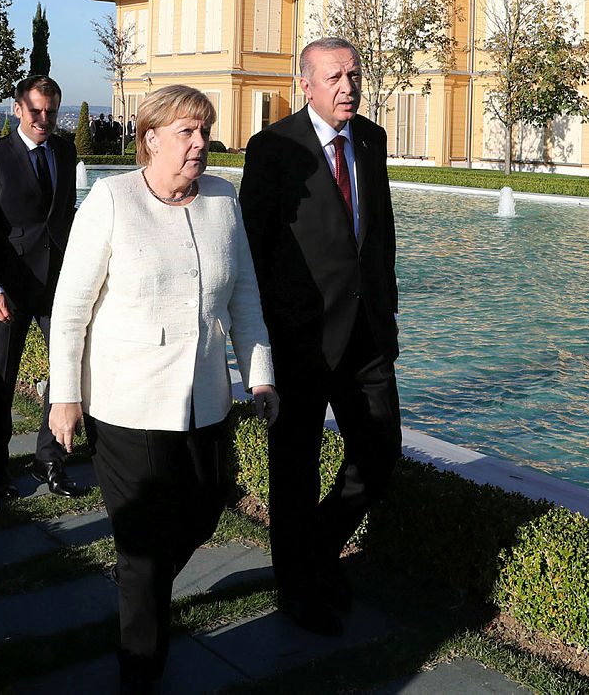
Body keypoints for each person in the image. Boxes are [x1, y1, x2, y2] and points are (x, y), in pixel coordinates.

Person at [48, 84, 277, 692]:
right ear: (150, 138)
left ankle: (139, 587)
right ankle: (141, 670)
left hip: (205, 401)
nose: (201, 143)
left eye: (205, 131)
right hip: (128, 404)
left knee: (205, 507)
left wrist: (260, 374)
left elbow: (246, 296)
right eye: (187, 132)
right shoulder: (112, 200)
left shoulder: (223, 200)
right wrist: (64, 395)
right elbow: (71, 307)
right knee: (146, 545)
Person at [239, 37, 401, 637]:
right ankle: (296, 589)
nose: (348, 87)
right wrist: (259, 343)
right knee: (295, 473)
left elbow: (376, 239)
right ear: (305, 83)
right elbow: (253, 248)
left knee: (380, 454)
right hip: (299, 341)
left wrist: (387, 319)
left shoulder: (372, 140)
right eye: (334, 77)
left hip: (366, 339)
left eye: (353, 75)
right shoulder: (273, 147)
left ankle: (318, 548)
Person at [0, 74, 81, 499]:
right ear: (18, 109)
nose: (44, 119)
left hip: (59, 286)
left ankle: (49, 460)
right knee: (1, 376)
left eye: (50, 112)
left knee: (67, 370)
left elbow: (65, 218)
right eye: (36, 111)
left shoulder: (65, 151)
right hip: (8, 289)